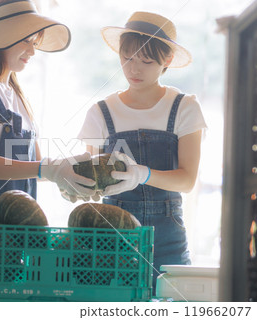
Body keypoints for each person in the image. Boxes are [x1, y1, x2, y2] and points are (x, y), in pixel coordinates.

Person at [77, 12, 207, 289]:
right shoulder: (100, 112)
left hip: (168, 238)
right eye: (127, 59)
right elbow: (92, 180)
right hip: (112, 235)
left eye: (146, 61)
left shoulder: (184, 108)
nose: (134, 69)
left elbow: (186, 180)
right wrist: (76, 183)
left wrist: (142, 174)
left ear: (167, 61)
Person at [0, 0, 96, 221]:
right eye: (26, 41)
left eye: (34, 43)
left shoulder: (17, 96)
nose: (32, 51)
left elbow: (36, 165)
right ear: (2, 37)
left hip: (16, 234)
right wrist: (49, 169)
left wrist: (65, 175)